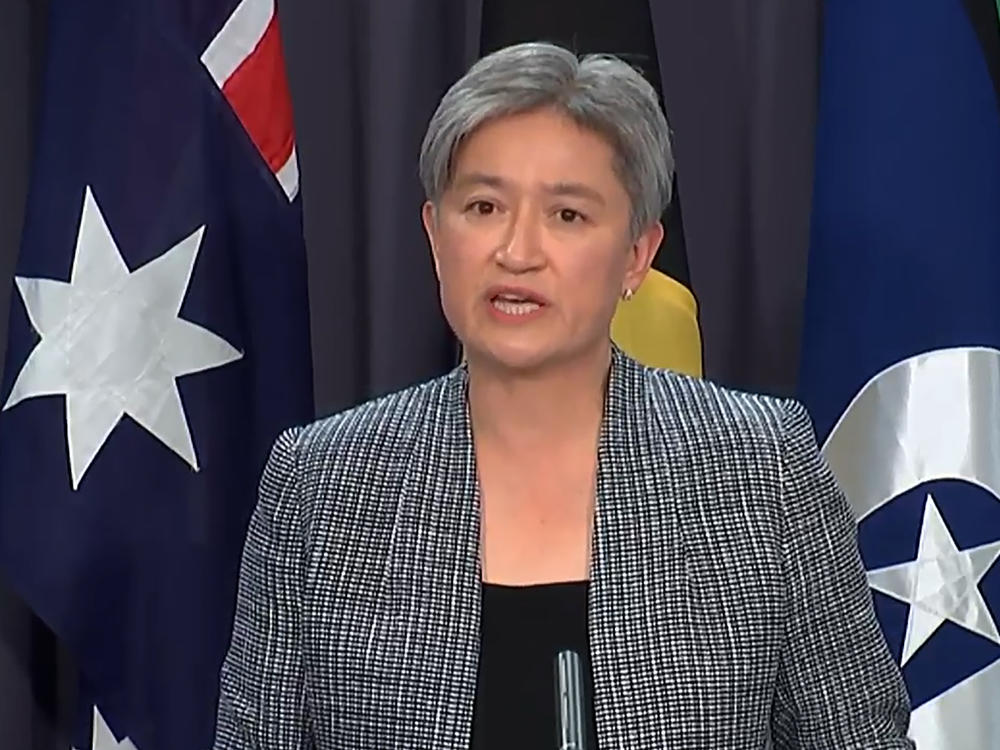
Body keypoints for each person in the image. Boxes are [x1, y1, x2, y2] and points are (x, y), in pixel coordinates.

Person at [213, 41, 913, 749]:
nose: (517, 251)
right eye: (483, 206)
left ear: (637, 254)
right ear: (434, 234)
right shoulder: (321, 485)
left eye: (568, 215)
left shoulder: (761, 470)